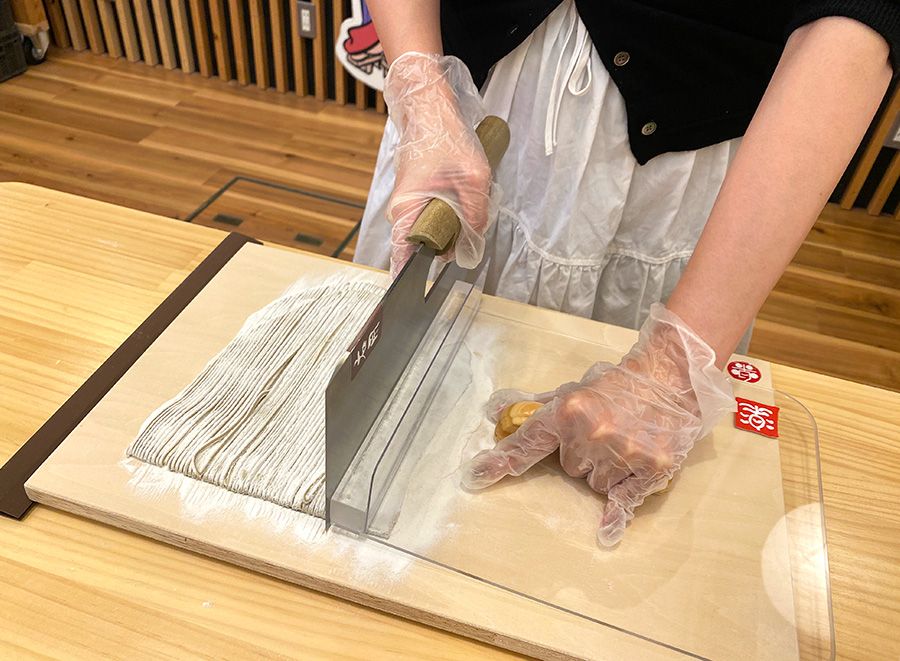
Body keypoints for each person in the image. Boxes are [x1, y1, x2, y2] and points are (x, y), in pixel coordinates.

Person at [354, 1, 898, 546]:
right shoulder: (432, 101)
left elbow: (862, 12)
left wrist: (672, 370)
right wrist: (420, 92)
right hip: (459, 103)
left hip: (681, 155)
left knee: (564, 515)